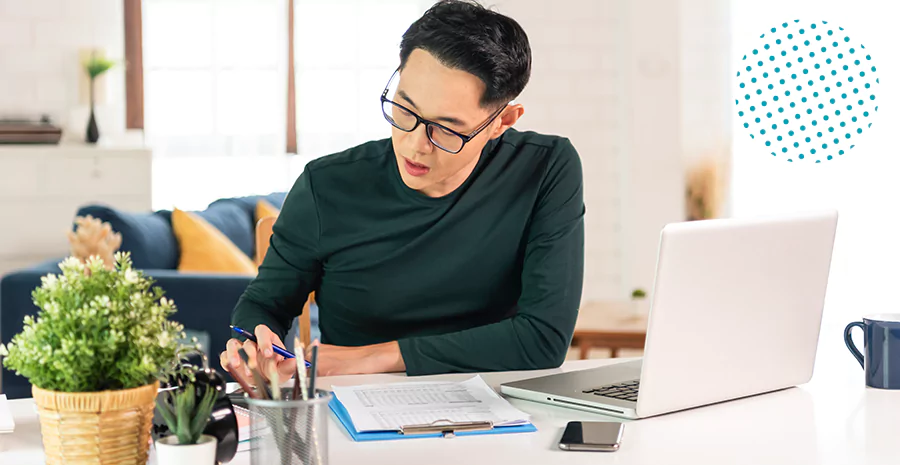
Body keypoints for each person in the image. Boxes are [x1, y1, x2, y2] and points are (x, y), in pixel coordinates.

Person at [220, 0, 585, 380]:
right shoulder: (327, 185)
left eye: (447, 129)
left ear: (501, 122)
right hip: (354, 406)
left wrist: (376, 357)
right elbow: (262, 306)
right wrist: (255, 345)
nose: (415, 144)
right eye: (405, 110)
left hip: (493, 405)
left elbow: (543, 339)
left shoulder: (545, 168)